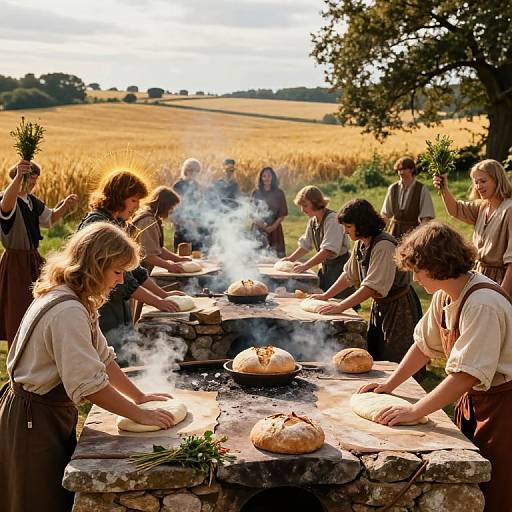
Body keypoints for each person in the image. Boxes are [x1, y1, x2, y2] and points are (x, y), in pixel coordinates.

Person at [0, 222, 177, 512]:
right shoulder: (67, 311)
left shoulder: (76, 299)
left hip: (47, 414)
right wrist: (139, 415)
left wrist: (139, 397)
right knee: (36, 501)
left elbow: (103, 358)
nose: (121, 281)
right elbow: (90, 385)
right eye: (117, 272)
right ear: (96, 265)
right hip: (32, 421)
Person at [358, 222, 512, 512]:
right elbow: (423, 345)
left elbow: (466, 374)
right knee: (471, 486)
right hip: (478, 403)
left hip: (504, 410)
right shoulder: (445, 296)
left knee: (498, 489)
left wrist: (416, 410)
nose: (415, 278)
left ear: (438, 264)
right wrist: (390, 384)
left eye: (418, 270)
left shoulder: (482, 303)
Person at [77, 171, 184, 356]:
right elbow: (123, 279)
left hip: (117, 303)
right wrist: (158, 302)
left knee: (123, 352)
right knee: (110, 355)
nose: (136, 207)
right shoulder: (99, 225)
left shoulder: (116, 222)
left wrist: (163, 295)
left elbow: (134, 270)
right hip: (103, 305)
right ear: (118, 196)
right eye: (133, 200)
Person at [311, 199, 422, 365]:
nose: (345, 232)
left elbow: (371, 286)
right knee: (377, 353)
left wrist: (340, 306)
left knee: (395, 357)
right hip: (381, 306)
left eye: (348, 227)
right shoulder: (361, 244)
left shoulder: (384, 246)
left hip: (399, 309)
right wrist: (326, 296)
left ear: (362, 224)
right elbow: (349, 275)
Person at [0, 159, 78, 349]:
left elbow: (49, 219)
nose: (34, 185)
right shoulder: (7, 199)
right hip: (16, 264)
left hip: (33, 260)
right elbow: (5, 206)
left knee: (40, 307)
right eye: (30, 181)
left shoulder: (30, 200)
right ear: (19, 179)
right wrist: (19, 176)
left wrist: (65, 205)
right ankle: (18, 362)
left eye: (35, 181)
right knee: (18, 313)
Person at [433, 159, 512, 294]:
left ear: (497, 180)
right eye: (476, 182)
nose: (478, 186)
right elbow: (455, 209)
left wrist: (502, 293)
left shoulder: (509, 210)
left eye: (483, 181)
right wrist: (443, 187)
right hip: (479, 276)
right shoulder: (482, 206)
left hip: (501, 279)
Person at [282, 186, 351, 297]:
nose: (302, 210)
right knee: (323, 300)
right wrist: (290, 259)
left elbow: (328, 250)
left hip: (339, 270)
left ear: (316, 203)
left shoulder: (332, 219)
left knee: (339, 302)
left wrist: (305, 266)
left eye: (305, 205)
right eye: (301, 206)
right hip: (324, 268)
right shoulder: (313, 221)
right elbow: (306, 245)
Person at [131, 186, 190, 274]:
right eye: (171, 207)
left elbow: (157, 249)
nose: (172, 211)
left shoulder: (153, 218)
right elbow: (148, 256)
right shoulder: (147, 221)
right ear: (164, 205)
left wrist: (178, 259)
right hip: (137, 274)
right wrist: (169, 266)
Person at [381, 156, 435, 239]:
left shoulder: (421, 189)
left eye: (404, 169)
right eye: (399, 170)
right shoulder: (393, 188)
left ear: (412, 169)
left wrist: (420, 235)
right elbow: (385, 214)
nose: (401, 172)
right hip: (394, 232)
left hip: (413, 233)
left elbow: (426, 217)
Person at [251, 167, 288, 258]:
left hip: (275, 230)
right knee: (257, 257)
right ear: (261, 178)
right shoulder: (256, 192)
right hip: (258, 228)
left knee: (275, 258)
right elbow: (251, 212)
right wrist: (263, 225)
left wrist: (272, 227)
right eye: (264, 176)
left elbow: (282, 213)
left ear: (273, 177)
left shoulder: (279, 193)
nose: (266, 178)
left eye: (269, 176)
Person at [172, 158, 207, 251]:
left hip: (196, 227)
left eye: (196, 170)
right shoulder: (178, 186)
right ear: (185, 170)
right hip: (182, 227)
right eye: (190, 169)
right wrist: (185, 222)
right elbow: (174, 209)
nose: (193, 172)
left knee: (198, 256)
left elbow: (200, 206)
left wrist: (199, 220)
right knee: (183, 256)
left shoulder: (197, 186)